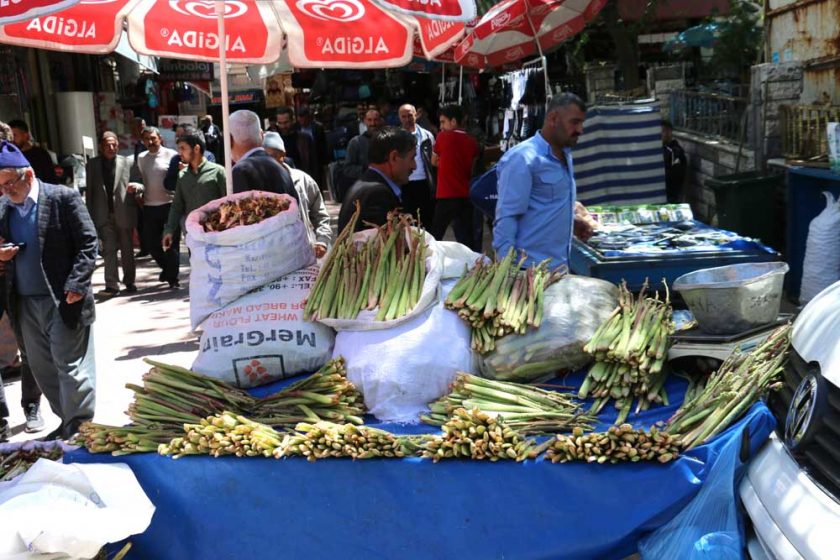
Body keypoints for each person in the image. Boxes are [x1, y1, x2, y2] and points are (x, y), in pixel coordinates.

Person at [0, 140, 98, 440]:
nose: (6, 191)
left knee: (69, 368)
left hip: (63, 299)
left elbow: (89, 242)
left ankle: (79, 427)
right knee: (43, 369)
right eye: (0, 187)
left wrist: (77, 284)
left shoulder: (61, 198)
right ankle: (67, 422)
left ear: (28, 175)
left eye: (9, 184)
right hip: (25, 304)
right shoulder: (4, 210)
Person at [493, 93, 595, 269]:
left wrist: (571, 222)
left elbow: (546, 206)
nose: (580, 129)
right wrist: (506, 273)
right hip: (529, 273)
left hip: (560, 267)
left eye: (581, 123)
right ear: (553, 118)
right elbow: (507, 218)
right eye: (575, 122)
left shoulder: (565, 156)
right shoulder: (522, 159)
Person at [0, 121, 43, 439]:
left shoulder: (19, 176)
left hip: (19, 276)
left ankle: (32, 405)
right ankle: (0, 420)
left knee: (30, 346)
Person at [162, 131, 226, 276]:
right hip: (194, 236)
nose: (180, 153)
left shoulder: (218, 172)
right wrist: (169, 231)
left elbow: (228, 203)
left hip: (217, 236)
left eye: (183, 148)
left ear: (196, 149)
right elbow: (177, 205)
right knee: (200, 274)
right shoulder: (182, 176)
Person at [263, 132, 332, 258]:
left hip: (305, 251)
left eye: (272, 156)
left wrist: (322, 241)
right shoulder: (259, 184)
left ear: (282, 155)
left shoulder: (303, 180)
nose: (268, 162)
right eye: (264, 157)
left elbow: (321, 215)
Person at [338, 127, 416, 233]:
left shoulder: (367, 185)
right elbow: (384, 246)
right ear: (393, 157)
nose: (414, 166)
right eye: (412, 158)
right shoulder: (377, 194)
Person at [86, 131, 136, 296]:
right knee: (109, 250)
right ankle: (112, 284)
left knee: (127, 250)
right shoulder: (92, 165)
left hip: (123, 212)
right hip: (103, 214)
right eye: (107, 145)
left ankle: (129, 281)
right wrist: (90, 218)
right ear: (101, 147)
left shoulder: (127, 162)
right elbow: (90, 193)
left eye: (114, 144)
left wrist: (137, 188)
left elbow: (139, 183)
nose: (111, 147)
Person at [132, 127, 180, 287]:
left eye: (153, 138)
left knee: (171, 245)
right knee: (152, 244)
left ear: (160, 138)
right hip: (149, 207)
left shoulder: (172, 155)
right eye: (146, 139)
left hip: (169, 206)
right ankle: (167, 269)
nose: (150, 142)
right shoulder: (141, 158)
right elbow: (139, 180)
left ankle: (173, 279)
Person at [430, 104, 479, 247]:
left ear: (453, 121)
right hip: (465, 194)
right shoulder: (472, 142)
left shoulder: (443, 137)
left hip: (446, 195)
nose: (441, 126)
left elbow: (434, 161)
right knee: (466, 237)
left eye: (443, 122)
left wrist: (445, 162)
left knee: (436, 235)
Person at [228, 110, 298, 202]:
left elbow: (242, 214)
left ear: (229, 140)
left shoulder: (240, 171)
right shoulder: (281, 167)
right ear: (261, 135)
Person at [399, 104, 436, 226]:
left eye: (410, 115)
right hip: (405, 185)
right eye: (403, 116)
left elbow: (433, 161)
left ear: (416, 115)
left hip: (425, 184)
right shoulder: (396, 138)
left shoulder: (427, 136)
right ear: (399, 118)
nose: (407, 119)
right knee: (409, 224)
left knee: (427, 221)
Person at [163, 123, 216, 192]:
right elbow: (168, 184)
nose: (178, 139)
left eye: (181, 136)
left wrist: (189, 172)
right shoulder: (176, 159)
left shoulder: (208, 156)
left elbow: (209, 182)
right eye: (176, 136)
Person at [8, 119, 57, 184]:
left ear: (26, 135)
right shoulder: (9, 157)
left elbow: (50, 180)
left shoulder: (40, 154)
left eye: (14, 135)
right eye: (9, 137)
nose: (12, 140)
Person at [342, 109, 381, 186]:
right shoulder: (356, 142)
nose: (373, 123)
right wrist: (366, 169)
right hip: (365, 186)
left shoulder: (388, 141)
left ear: (380, 121)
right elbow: (347, 169)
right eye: (369, 120)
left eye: (376, 120)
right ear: (365, 121)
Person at [276, 107, 316, 180]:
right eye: (280, 123)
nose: (283, 126)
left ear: (292, 120)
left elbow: (313, 163)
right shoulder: (275, 140)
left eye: (286, 122)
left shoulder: (304, 138)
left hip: (303, 178)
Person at [297, 106, 330, 188]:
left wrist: (325, 162)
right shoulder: (296, 128)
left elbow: (323, 145)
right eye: (300, 118)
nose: (301, 120)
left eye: (303, 118)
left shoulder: (318, 128)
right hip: (302, 160)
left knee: (317, 183)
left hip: (316, 159)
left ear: (308, 117)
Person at [662, 119, 688, 203]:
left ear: (669, 132)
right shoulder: (661, 148)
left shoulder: (675, 151)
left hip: (669, 195)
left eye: (662, 131)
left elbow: (675, 177)